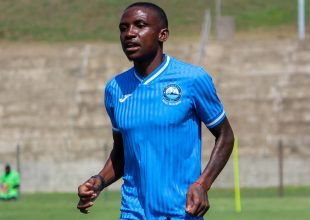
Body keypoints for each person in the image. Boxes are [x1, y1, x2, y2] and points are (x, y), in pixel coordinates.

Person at [77, 2, 234, 219]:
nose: (129, 33)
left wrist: (202, 184)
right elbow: (122, 152)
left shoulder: (192, 79)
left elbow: (225, 136)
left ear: (163, 35)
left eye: (139, 25)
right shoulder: (115, 89)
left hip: (180, 212)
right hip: (133, 212)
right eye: (123, 28)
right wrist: (99, 180)